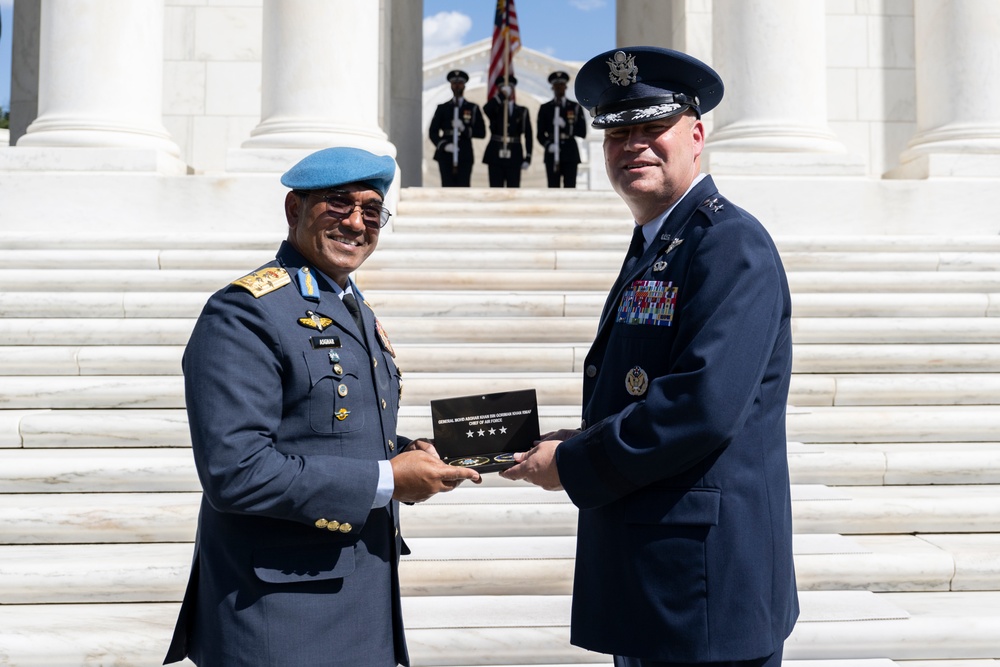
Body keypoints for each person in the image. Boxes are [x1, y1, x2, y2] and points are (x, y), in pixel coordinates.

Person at [502, 47, 798, 667]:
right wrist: (578, 435)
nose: (633, 144)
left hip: (703, 589)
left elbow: (701, 405)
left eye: (652, 127)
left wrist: (577, 459)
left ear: (695, 135)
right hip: (657, 581)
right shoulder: (661, 242)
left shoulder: (728, 243)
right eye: (617, 131)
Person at [164, 147, 482, 667]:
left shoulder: (352, 308)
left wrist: (412, 454)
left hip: (360, 598)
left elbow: (332, 433)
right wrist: (387, 479)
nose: (356, 222)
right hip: (279, 611)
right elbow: (236, 471)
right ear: (295, 209)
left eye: (372, 210)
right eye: (338, 204)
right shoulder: (246, 312)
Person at [428, 69, 487, 187]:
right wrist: (444, 145)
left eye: (460, 83)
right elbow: (433, 132)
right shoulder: (442, 108)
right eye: (454, 83)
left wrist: (463, 128)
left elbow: (482, 132)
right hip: (446, 153)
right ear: (450, 86)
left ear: (464, 85)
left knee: (463, 185)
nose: (457, 86)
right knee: (447, 185)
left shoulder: (472, 108)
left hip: (464, 152)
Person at [536, 71, 587, 188]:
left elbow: (582, 131)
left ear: (565, 87)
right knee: (553, 186)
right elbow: (540, 134)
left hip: (570, 150)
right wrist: (548, 145)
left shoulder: (574, 107)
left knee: (570, 185)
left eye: (561, 85)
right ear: (552, 87)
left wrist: (567, 126)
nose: (559, 88)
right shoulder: (545, 108)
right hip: (552, 151)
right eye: (556, 86)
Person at [482, 76, 532, 188]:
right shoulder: (495, 108)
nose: (507, 90)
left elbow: (528, 135)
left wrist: (528, 157)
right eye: (503, 88)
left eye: (509, 88)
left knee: (513, 189)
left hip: (515, 154)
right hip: (495, 154)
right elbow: (486, 109)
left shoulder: (522, 111)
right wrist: (502, 95)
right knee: (495, 189)